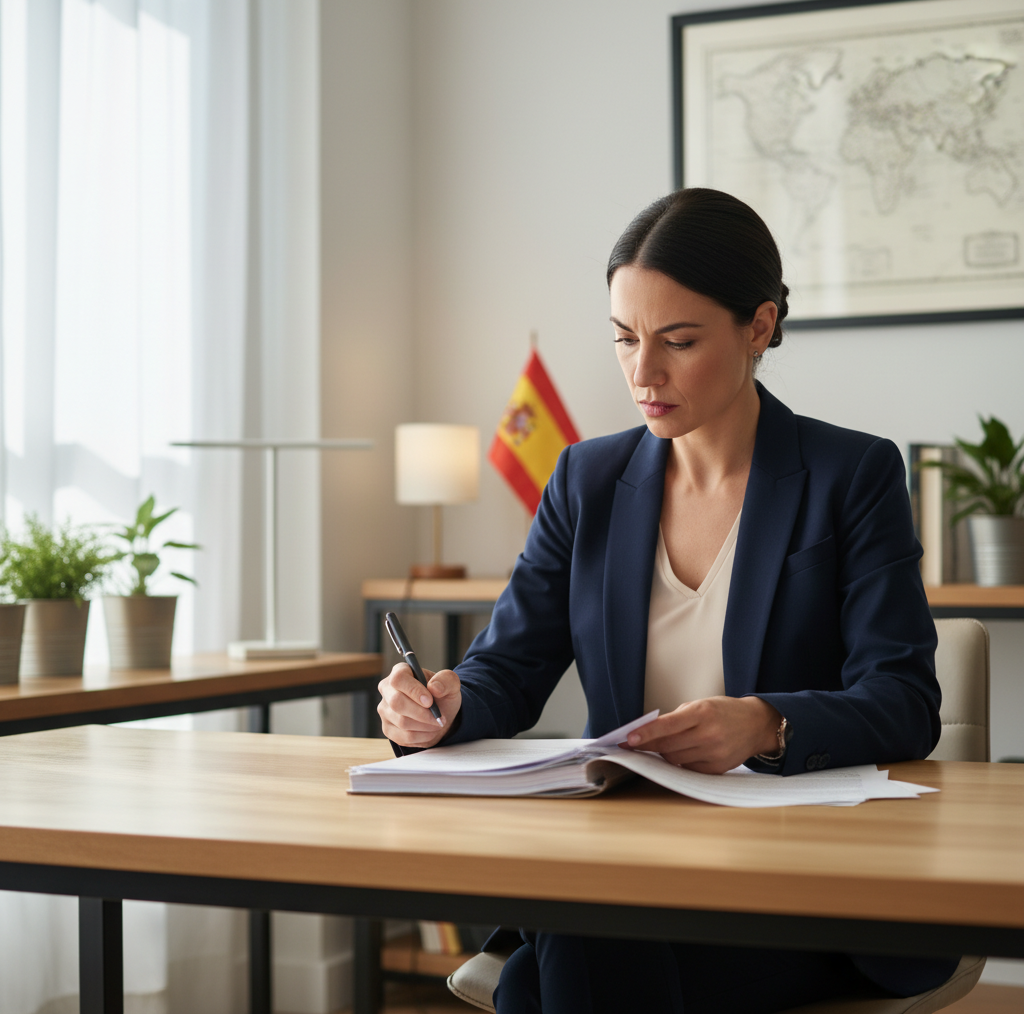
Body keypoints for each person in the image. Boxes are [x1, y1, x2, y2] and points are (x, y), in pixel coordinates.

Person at [377, 188, 957, 1013]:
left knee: (548, 974)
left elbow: (904, 702)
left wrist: (766, 722)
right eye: (624, 339)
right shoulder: (587, 479)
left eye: (678, 342)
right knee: (575, 944)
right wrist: (441, 706)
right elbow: (509, 667)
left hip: (798, 880)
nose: (642, 374)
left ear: (758, 327)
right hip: (627, 853)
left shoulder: (851, 476)